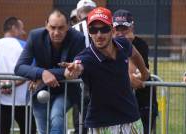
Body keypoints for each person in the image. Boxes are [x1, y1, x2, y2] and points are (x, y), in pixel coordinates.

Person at [60, 7, 150, 134]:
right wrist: (72, 71)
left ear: (112, 30)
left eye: (104, 29)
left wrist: (145, 72)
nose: (99, 34)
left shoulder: (123, 44)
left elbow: (134, 54)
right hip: (102, 124)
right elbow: (75, 68)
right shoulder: (86, 57)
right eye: (93, 30)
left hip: (131, 119)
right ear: (89, 32)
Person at [14, 9, 86, 134]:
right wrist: (42, 73)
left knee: (56, 116)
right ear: (46, 24)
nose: (56, 32)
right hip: (39, 89)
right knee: (43, 129)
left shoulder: (77, 38)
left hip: (66, 89)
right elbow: (19, 67)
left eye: (61, 28)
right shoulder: (35, 36)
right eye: (52, 27)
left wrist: (44, 74)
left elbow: (73, 70)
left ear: (68, 26)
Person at [112, 9, 158, 134]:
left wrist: (128, 44)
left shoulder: (140, 44)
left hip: (143, 102)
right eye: (117, 29)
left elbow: (134, 71)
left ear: (132, 27)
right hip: (120, 104)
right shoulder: (109, 45)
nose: (120, 33)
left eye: (124, 28)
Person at [0, 17, 36, 134]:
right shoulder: (25, 46)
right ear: (14, 28)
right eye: (21, 29)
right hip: (22, 101)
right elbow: (31, 70)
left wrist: (4, 85)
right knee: (29, 130)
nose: (24, 32)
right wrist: (11, 84)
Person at [72, 0, 96, 133]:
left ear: (78, 14)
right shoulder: (106, 28)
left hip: (80, 82)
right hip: (102, 82)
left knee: (81, 124)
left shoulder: (73, 30)